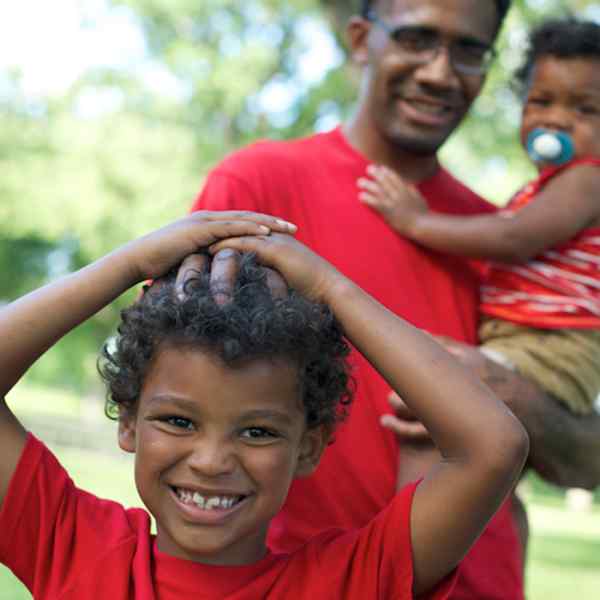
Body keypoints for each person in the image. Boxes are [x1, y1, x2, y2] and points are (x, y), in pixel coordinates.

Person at [189, 2, 600, 598]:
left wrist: (509, 393)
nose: (439, 72)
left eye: (468, 51)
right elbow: (178, 405)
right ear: (361, 39)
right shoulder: (256, 188)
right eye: (416, 38)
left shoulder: (507, 235)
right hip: (295, 581)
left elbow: (586, 460)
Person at [0, 211, 528, 599]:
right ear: (130, 421)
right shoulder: (75, 547)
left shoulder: (349, 582)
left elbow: (494, 447)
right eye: (179, 421)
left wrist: (331, 287)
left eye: (257, 432)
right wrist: (131, 261)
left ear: (309, 446)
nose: (210, 461)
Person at [359, 17, 600, 417]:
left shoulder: (587, 179)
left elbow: (514, 239)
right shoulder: (551, 188)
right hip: (524, 341)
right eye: (541, 101)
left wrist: (416, 222)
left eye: (585, 108)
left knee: (435, 403)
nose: (556, 119)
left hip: (554, 345)